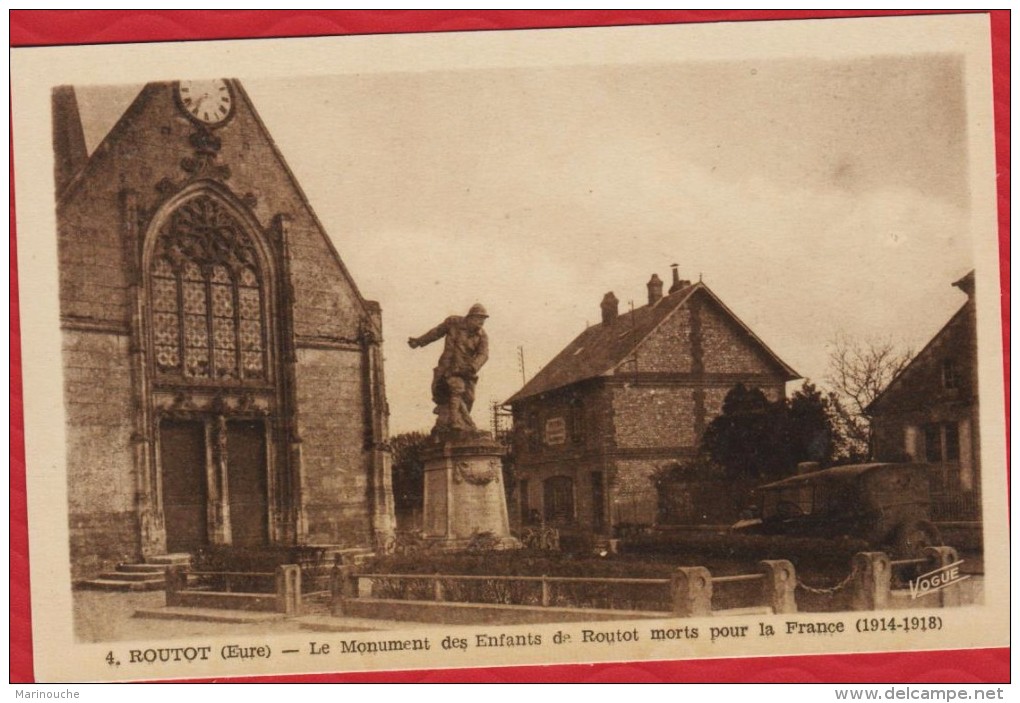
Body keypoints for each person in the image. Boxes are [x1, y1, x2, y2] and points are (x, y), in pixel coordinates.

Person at [408, 303, 490, 433]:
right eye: (479, 318)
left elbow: (483, 354)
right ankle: (454, 422)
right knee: (456, 389)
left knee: (469, 398)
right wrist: (419, 341)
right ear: (470, 317)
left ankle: (462, 422)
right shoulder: (454, 322)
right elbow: (436, 332)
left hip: (467, 371)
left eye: (484, 319)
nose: (482, 322)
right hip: (448, 368)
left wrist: (473, 367)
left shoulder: (482, 336)